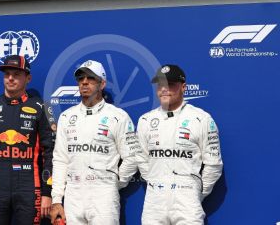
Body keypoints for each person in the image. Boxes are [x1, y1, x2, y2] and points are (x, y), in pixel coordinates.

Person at [50, 60, 138, 225]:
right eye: (80, 78)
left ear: (102, 83)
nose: (84, 82)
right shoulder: (66, 117)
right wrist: (56, 199)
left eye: (91, 78)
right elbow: (60, 160)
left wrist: (114, 183)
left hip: (103, 195)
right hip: (73, 195)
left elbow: (132, 157)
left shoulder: (119, 116)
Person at [0, 55, 54, 225]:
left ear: (28, 78)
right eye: (7, 74)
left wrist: (47, 192)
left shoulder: (42, 108)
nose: (10, 78)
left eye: (16, 74)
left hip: (29, 189)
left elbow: (50, 153)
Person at [136, 64, 223, 225]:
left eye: (170, 84)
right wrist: (157, 181)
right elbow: (141, 159)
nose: (164, 89)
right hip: (154, 201)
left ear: (183, 87)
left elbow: (213, 164)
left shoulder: (201, 118)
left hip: (187, 200)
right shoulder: (145, 120)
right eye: (161, 84)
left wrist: (196, 192)